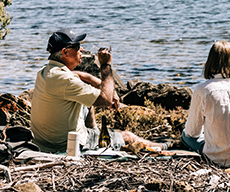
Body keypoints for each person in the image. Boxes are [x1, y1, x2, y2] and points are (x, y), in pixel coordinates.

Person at [30, 28, 165, 153]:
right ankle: (167, 146)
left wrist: (92, 79)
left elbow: (76, 75)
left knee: (85, 99)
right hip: (68, 145)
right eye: (77, 47)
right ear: (65, 52)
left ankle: (94, 131)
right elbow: (106, 100)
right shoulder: (66, 80)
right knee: (128, 137)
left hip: (46, 142)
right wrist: (106, 65)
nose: (81, 49)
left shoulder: (46, 72)